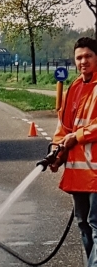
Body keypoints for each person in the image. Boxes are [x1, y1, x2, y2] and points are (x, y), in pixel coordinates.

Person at [49, 37, 97, 267]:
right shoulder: (75, 88)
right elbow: (64, 127)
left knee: (96, 225)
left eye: (88, 56)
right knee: (84, 225)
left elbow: (77, 132)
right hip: (79, 174)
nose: (83, 61)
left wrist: (76, 137)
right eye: (79, 57)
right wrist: (57, 153)